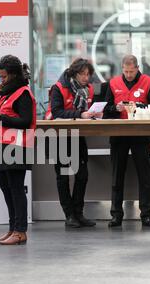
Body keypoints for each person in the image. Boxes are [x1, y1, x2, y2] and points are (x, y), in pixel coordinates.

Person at [0, 55, 36, 245]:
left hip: (17, 146)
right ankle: (13, 228)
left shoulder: (23, 93)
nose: (1, 80)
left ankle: (20, 230)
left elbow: (24, 121)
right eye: (0, 77)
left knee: (16, 189)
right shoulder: (6, 93)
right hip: (2, 144)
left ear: (14, 75)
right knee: (6, 188)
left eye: (4, 77)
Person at [44, 58, 101, 228]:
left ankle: (79, 213)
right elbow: (56, 112)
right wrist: (80, 114)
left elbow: (87, 110)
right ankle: (69, 215)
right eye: (82, 74)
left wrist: (92, 114)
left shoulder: (89, 89)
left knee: (82, 175)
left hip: (77, 135)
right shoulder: (59, 88)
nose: (86, 78)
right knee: (63, 177)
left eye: (88, 74)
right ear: (74, 73)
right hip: (58, 136)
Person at [103, 55, 150, 228]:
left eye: (131, 71)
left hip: (141, 135)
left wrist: (138, 106)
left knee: (144, 176)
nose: (128, 75)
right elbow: (106, 110)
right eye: (125, 71)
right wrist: (115, 108)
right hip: (118, 135)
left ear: (137, 68)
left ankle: (146, 215)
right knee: (116, 176)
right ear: (122, 68)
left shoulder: (149, 82)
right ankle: (116, 215)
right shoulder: (112, 84)